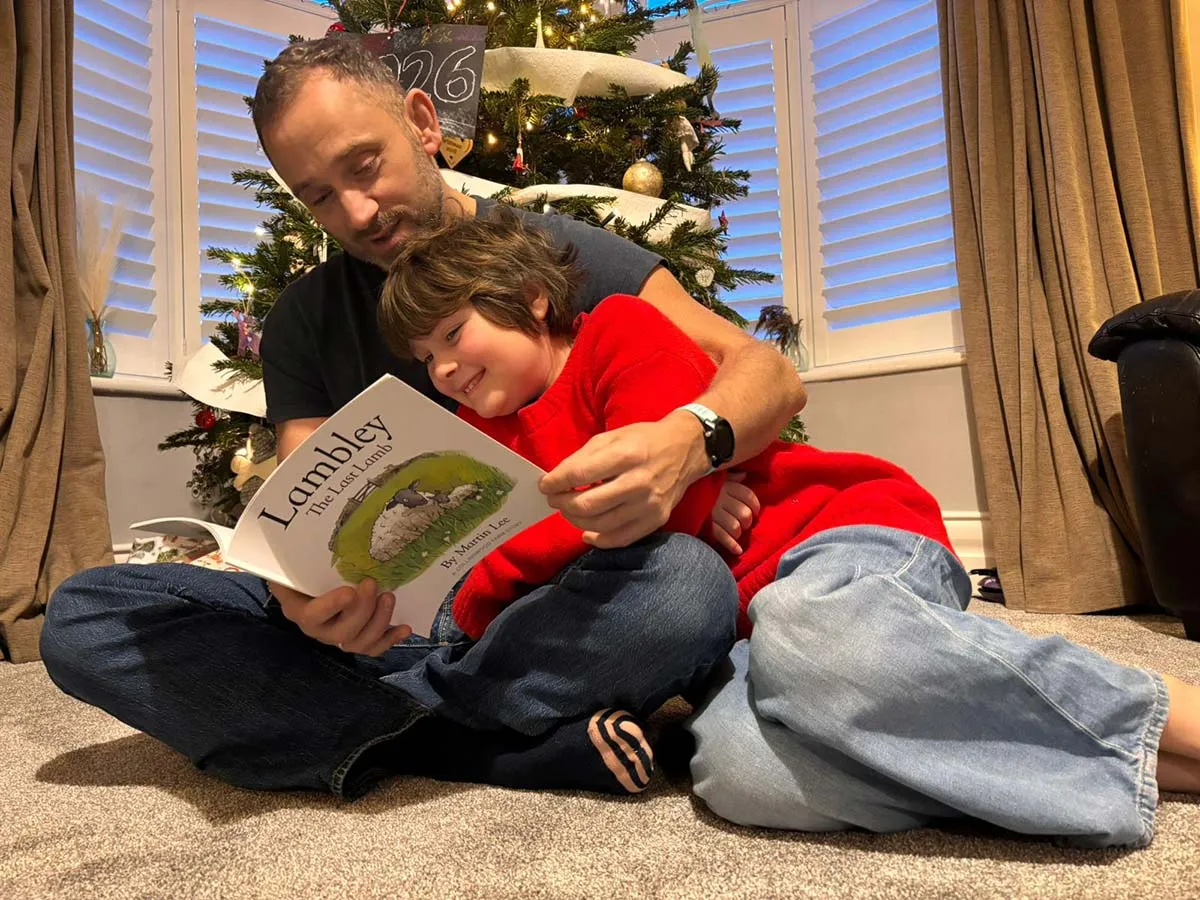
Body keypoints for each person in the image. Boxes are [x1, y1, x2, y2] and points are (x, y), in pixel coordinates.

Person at [39, 35, 793, 798]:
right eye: (319, 197)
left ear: (424, 123)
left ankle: (379, 721)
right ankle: (468, 747)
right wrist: (308, 606)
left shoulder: (544, 256)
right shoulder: (306, 316)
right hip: (389, 621)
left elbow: (767, 373)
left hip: (543, 593)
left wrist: (690, 444)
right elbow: (305, 519)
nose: (357, 212)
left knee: (687, 588)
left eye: (364, 168)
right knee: (84, 618)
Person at [377, 211, 1200, 850]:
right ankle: (1143, 761)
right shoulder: (477, 445)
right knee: (741, 775)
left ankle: (1180, 721)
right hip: (741, 628)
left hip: (832, 538)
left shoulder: (617, 331)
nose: (444, 368)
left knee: (813, 638)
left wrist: (493, 585)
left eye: (454, 335)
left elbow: (658, 509)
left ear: (532, 300)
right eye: (427, 356)